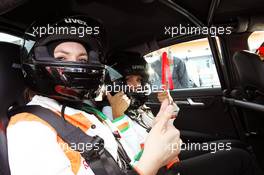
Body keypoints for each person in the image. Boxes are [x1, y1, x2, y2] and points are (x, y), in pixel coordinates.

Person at [6, 16, 181, 175]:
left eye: (82, 60)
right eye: (61, 58)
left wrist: (158, 130)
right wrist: (148, 166)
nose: (77, 66)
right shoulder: (28, 126)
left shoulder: (88, 111)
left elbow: (128, 159)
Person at [103, 51, 263, 175]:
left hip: (169, 154)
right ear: (115, 83)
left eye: (138, 80)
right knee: (240, 158)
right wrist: (119, 116)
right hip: (160, 167)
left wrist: (168, 103)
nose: (136, 85)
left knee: (235, 145)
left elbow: (165, 127)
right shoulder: (110, 112)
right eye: (129, 79)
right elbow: (131, 155)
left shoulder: (136, 107)